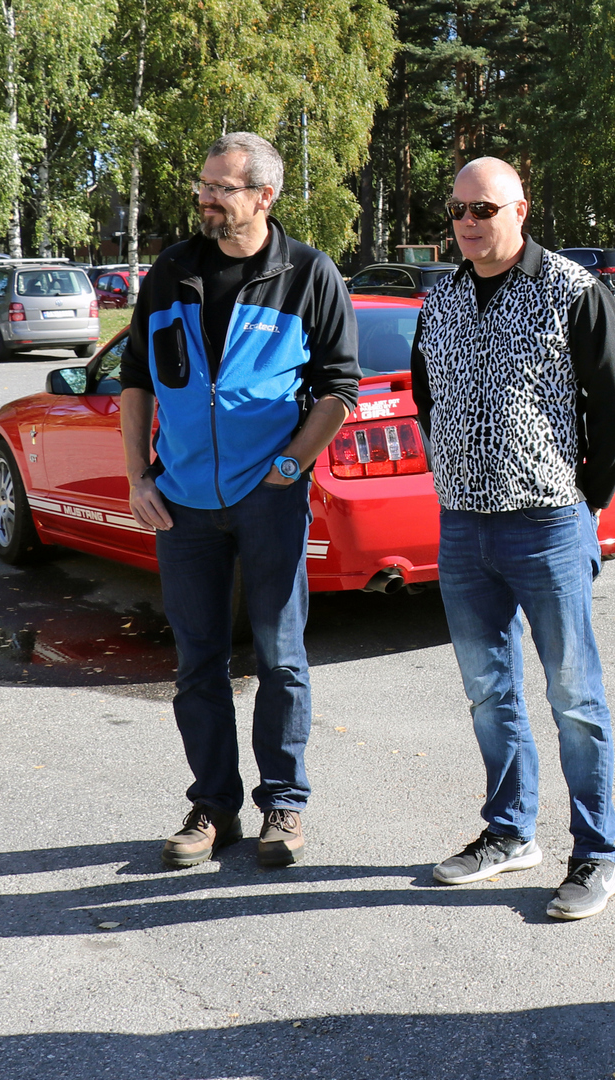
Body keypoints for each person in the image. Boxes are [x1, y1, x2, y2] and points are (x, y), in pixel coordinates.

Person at [121, 132, 361, 869]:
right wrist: (137, 477)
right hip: (183, 503)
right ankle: (214, 807)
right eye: (203, 184)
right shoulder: (171, 272)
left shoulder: (309, 274)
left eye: (221, 188)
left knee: (281, 657)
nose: (206, 198)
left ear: (264, 196)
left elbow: (340, 388)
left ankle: (283, 803)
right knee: (198, 662)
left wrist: (291, 465)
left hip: (269, 500)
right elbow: (137, 380)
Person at [412, 157, 615, 921]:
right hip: (462, 526)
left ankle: (597, 854)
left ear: (520, 210)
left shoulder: (572, 290)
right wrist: (456, 471)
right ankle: (509, 833)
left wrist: (586, 503)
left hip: (547, 524)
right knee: (487, 691)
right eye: (457, 211)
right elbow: (427, 398)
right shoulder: (440, 300)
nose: (468, 223)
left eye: (483, 209)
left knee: (575, 697)